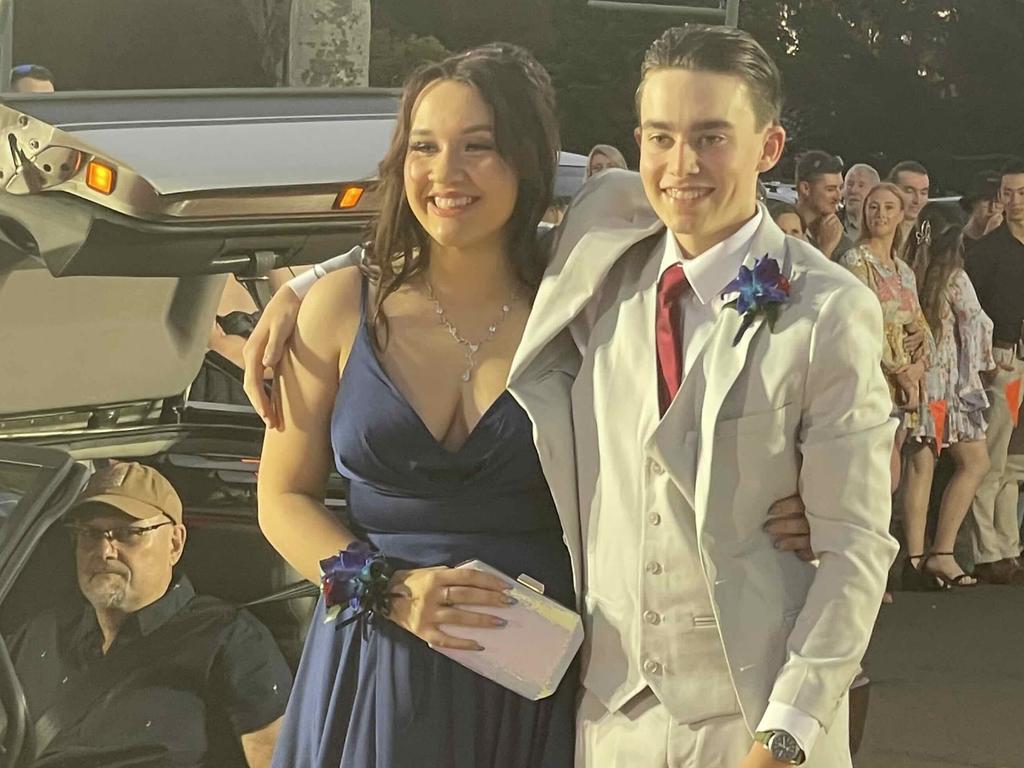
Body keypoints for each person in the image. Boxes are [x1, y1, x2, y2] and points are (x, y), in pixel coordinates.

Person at [250, 29, 873, 768]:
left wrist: (791, 500)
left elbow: (853, 543)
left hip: (542, 681)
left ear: (527, 160)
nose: (448, 171)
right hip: (385, 659)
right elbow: (280, 498)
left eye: (479, 146)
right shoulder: (342, 309)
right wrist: (305, 281)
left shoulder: (580, 284)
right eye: (424, 146)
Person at [7, 462, 291, 768]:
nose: (104, 550)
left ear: (174, 543)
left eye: (128, 533)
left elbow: (274, 757)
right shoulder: (39, 634)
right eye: (90, 533)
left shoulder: (230, 638)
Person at [839, 185, 936, 580]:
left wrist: (919, 360)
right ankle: (866, 571)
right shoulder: (855, 261)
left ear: (900, 216)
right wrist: (897, 368)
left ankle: (883, 565)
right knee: (875, 476)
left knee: (892, 477)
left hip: (904, 387)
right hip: (874, 380)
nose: (879, 214)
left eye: (888, 207)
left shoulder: (904, 270)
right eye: (872, 207)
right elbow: (861, 321)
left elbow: (922, 325)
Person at [905, 203, 995, 587]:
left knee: (920, 464)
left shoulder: (908, 273)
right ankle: (941, 551)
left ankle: (912, 557)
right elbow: (977, 326)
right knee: (975, 461)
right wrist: (985, 369)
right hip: (948, 390)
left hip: (919, 383)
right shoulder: (955, 279)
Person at [962, 159, 1024, 585]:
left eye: (1021, 193)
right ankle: (988, 551)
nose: (1014, 202)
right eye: (1007, 193)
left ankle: (1010, 547)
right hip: (1006, 363)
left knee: (1018, 465)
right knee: (994, 460)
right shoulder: (986, 251)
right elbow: (972, 313)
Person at [794, 150, 854, 260]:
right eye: (830, 189)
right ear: (805, 188)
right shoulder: (781, 228)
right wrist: (826, 250)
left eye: (840, 188)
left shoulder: (841, 240)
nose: (838, 197)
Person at [887, 160, 931, 248]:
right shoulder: (873, 234)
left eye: (923, 193)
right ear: (891, 191)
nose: (917, 200)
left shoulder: (935, 239)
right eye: (909, 191)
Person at [960, 170, 1004, 253]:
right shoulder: (956, 242)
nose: (993, 209)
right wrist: (989, 237)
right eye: (986, 200)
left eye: (998, 201)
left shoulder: (1010, 240)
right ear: (972, 202)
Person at [841, 163, 880, 241]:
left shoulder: (884, 225)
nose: (853, 190)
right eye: (849, 184)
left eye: (861, 185)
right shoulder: (829, 223)